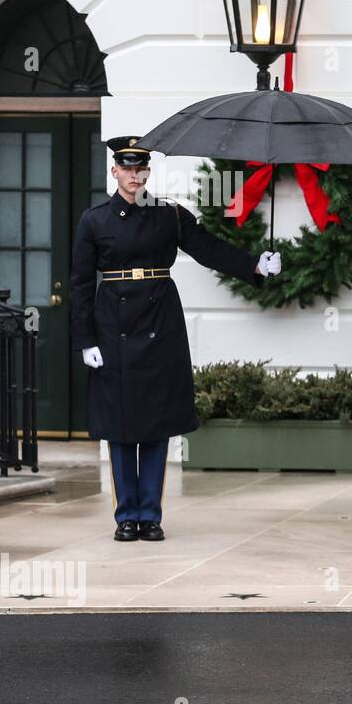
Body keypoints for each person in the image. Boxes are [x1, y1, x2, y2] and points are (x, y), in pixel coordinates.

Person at [71, 137, 281, 542]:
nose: (135, 175)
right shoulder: (94, 221)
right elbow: (80, 284)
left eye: (141, 168)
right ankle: (125, 516)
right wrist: (86, 339)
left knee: (155, 422)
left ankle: (149, 514)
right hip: (112, 322)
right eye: (128, 168)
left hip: (158, 321)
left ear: (148, 171)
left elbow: (208, 249)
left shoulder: (169, 214)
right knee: (120, 425)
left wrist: (255, 264)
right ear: (114, 171)